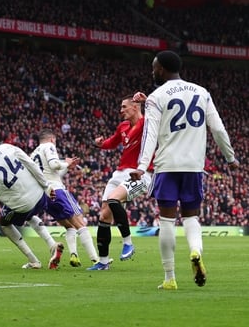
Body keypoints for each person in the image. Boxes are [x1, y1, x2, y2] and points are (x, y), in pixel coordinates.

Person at [130, 50, 239, 290]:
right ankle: (195, 251)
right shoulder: (202, 92)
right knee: (192, 217)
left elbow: (149, 135)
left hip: (168, 165)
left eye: (153, 67)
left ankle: (170, 278)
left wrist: (140, 165)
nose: (152, 71)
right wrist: (230, 157)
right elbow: (218, 129)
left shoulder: (156, 97)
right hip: (194, 167)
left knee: (167, 222)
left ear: (161, 69)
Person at [0, 135, 64, 270]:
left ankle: (33, 260)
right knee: (28, 215)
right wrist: (46, 186)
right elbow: (31, 164)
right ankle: (52, 245)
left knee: (5, 223)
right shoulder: (6, 147)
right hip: (40, 195)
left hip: (23, 204)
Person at [87, 96, 149, 271]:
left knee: (114, 200)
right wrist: (100, 144)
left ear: (135, 107)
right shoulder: (122, 127)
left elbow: (159, 111)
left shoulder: (148, 123)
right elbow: (112, 142)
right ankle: (103, 262)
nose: (121, 110)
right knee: (104, 216)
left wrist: (146, 100)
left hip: (138, 174)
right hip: (119, 173)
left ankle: (128, 243)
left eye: (124, 107)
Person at [30, 129, 98, 267]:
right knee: (80, 223)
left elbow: (51, 173)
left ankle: (74, 255)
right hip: (58, 191)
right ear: (52, 139)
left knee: (69, 226)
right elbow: (55, 165)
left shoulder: (33, 154)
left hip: (44, 195)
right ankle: (96, 259)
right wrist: (66, 162)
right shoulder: (49, 146)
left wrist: (67, 167)